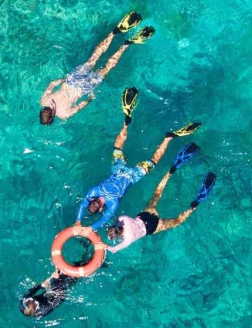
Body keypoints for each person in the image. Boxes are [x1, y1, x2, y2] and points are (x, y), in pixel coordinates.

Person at [77, 87, 200, 231]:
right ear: (92, 199)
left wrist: (90, 228)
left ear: (99, 209)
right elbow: (82, 204)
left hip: (132, 176)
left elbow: (104, 219)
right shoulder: (94, 191)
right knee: (118, 148)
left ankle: (168, 139)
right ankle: (126, 123)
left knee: (154, 160)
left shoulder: (113, 203)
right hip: (117, 169)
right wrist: (78, 220)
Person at [40, 11, 154, 124]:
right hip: (72, 80)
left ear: (53, 117)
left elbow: (80, 105)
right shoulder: (44, 101)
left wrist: (90, 98)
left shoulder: (64, 114)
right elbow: (53, 83)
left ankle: (126, 44)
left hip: (83, 88)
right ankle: (114, 33)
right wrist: (64, 79)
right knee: (93, 58)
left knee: (107, 67)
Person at [103, 144, 216, 254]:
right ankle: (171, 171)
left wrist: (103, 246)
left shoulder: (128, 239)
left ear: (117, 236)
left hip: (153, 226)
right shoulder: (123, 218)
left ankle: (195, 205)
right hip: (146, 215)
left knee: (177, 221)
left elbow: (113, 249)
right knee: (157, 193)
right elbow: (117, 220)